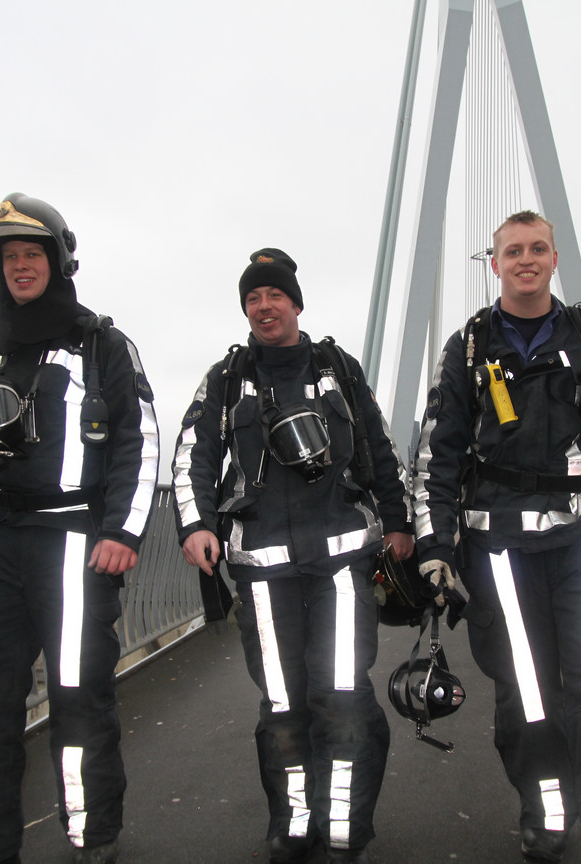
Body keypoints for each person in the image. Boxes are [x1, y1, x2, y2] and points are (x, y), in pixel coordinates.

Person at [412, 211, 581, 863]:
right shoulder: (468, 348)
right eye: (513, 251)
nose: (526, 260)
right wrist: (435, 549)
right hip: (500, 549)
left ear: (554, 259)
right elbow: (437, 457)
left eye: (538, 248)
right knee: (529, 698)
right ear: (495, 264)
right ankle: (550, 816)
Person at [0, 193, 160, 864]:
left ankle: (91, 836)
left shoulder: (101, 344)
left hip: (75, 543)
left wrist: (123, 532)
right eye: (8, 258)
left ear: (58, 261)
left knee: (78, 697)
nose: (20, 266)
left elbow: (138, 441)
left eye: (31, 254)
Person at [171, 248, 414, 864]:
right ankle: (295, 823)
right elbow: (193, 454)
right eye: (253, 298)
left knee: (342, 695)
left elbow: (380, 448)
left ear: (296, 304)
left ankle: (343, 829)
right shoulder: (226, 380)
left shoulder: (339, 370)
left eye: (274, 295)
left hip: (342, 566)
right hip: (262, 571)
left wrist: (400, 523)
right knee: (282, 703)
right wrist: (195, 524)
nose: (264, 307)